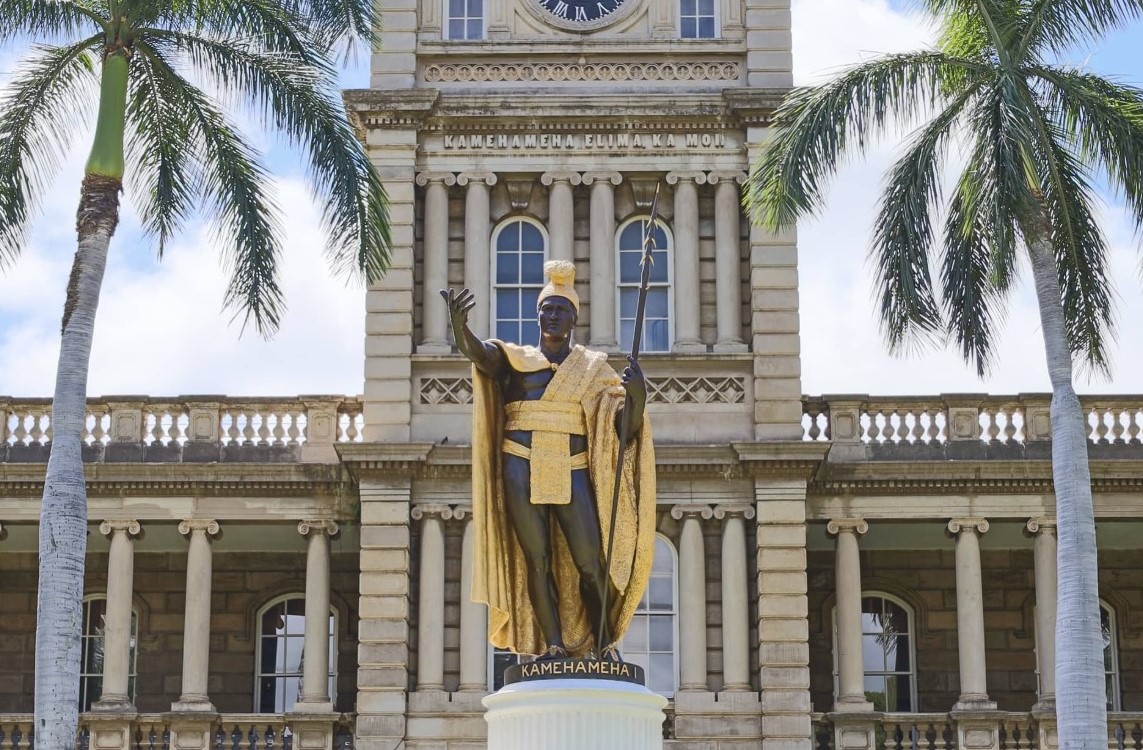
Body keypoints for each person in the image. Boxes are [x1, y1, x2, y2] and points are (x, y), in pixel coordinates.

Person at [441, 260, 657, 660]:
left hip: (572, 467)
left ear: (573, 319)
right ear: (537, 316)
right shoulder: (516, 360)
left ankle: (604, 644)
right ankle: (553, 644)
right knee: (536, 560)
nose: (552, 316)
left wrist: (638, 398)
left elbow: (622, 430)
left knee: (590, 563)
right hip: (520, 464)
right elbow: (481, 355)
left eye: (560, 310)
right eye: (546, 309)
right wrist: (460, 329)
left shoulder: (593, 369)